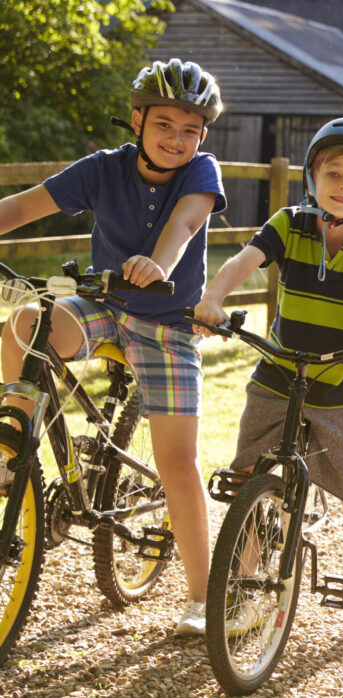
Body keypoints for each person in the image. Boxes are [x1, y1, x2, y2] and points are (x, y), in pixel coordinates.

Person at [0, 59, 226, 636]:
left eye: (190, 129)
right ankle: (15, 448)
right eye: (165, 124)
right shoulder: (103, 169)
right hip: (104, 304)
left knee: (177, 463)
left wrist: (160, 264)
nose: (177, 138)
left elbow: (186, 225)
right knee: (27, 322)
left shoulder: (201, 172)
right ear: (137, 120)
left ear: (202, 137)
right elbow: (24, 207)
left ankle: (203, 599)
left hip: (168, 321)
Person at [191, 117, 343, 642]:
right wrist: (212, 301)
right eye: (333, 173)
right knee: (249, 476)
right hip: (278, 373)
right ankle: (245, 586)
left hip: (342, 385)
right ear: (310, 179)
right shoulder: (288, 224)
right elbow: (240, 263)